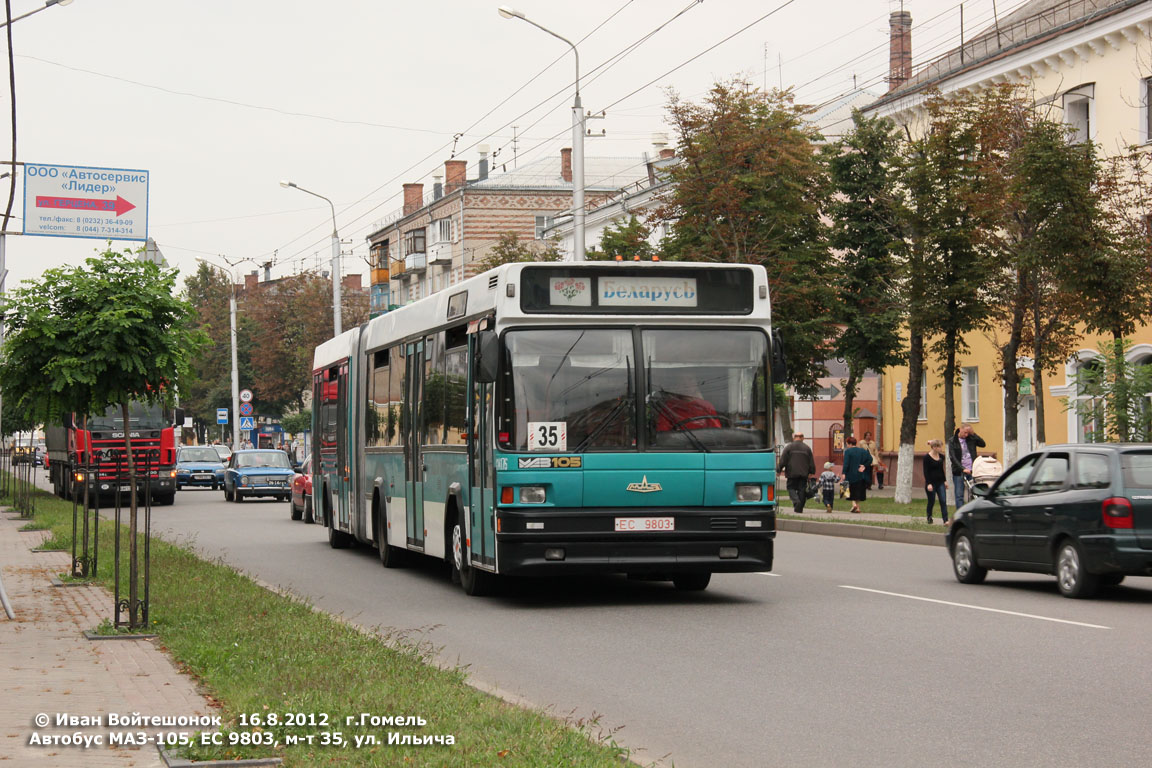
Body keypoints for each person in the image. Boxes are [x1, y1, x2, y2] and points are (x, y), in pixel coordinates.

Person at [654, 370, 722, 431]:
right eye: (681, 380)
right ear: (677, 385)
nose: (687, 384)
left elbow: (716, 432)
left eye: (690, 379)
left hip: (704, 444)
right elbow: (663, 435)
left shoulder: (707, 407)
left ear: (696, 384)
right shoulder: (668, 408)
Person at [948, 423, 986, 509]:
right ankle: (960, 513)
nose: (966, 435)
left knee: (975, 493)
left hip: (972, 470)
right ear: (960, 429)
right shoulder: (953, 441)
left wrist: (973, 434)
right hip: (959, 471)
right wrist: (963, 469)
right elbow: (953, 457)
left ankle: (973, 511)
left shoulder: (971, 438)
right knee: (959, 494)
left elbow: (983, 444)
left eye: (968, 433)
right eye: (965, 432)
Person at [780, 432, 816, 514]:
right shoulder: (807, 448)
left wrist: (779, 469)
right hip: (804, 473)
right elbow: (811, 461)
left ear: (794, 437)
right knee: (802, 490)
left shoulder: (789, 447)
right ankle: (799, 509)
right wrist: (811, 471)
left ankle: (796, 501)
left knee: (791, 488)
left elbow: (783, 460)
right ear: (803, 438)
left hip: (792, 472)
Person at [840, 436, 873, 514]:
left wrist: (844, 473)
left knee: (851, 490)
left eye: (847, 444)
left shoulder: (848, 451)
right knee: (859, 491)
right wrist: (864, 465)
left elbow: (846, 463)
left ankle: (854, 504)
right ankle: (857, 507)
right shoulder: (862, 451)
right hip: (861, 475)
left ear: (850, 444)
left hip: (850, 474)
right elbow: (870, 459)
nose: (847, 445)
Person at [923, 439, 949, 525]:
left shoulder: (941, 457)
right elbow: (926, 471)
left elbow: (941, 470)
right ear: (934, 447)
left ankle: (945, 520)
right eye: (939, 447)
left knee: (943, 501)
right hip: (931, 483)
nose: (941, 448)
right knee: (932, 501)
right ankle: (929, 517)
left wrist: (945, 481)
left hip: (940, 482)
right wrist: (928, 483)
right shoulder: (927, 457)